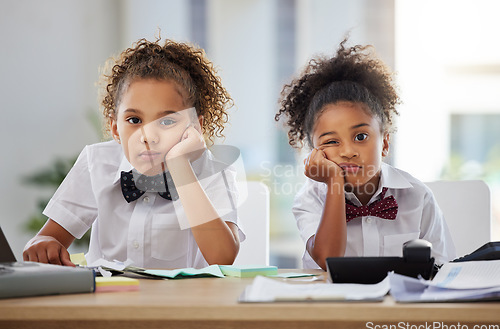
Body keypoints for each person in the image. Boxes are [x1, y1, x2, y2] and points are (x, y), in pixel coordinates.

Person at [23, 37, 242, 269]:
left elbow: (222, 257)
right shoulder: (97, 162)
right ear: (116, 129)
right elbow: (49, 237)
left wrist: (180, 166)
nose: (148, 135)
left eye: (167, 121)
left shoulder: (215, 173)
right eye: (134, 120)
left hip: (182, 304)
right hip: (107, 301)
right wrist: (43, 243)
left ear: (194, 128)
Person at [275, 39, 455, 270]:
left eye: (360, 137)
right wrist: (333, 182)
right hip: (328, 305)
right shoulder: (309, 198)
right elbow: (327, 258)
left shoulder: (419, 197)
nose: (348, 152)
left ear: (385, 143)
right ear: (315, 154)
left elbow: (444, 269)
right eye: (331, 141)